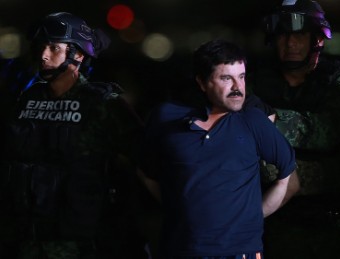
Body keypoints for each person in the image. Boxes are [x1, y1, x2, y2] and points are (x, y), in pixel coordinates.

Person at [0, 12, 147, 259]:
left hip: (83, 246)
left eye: (54, 48)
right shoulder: (23, 101)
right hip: (25, 242)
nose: (44, 55)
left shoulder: (104, 105)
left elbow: (149, 163)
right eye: (41, 47)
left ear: (78, 54)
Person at [138, 39, 299, 258]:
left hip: (241, 252)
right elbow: (147, 172)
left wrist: (248, 219)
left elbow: (289, 179)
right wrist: (180, 208)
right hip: (181, 250)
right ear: (202, 82)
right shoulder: (166, 117)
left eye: (241, 77)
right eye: (226, 78)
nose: (237, 87)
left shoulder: (253, 120)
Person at [246, 0, 340, 257]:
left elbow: (328, 132)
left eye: (299, 34)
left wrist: (271, 120)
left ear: (318, 40)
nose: (290, 43)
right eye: (283, 35)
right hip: (272, 223)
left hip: (330, 220)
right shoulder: (255, 81)